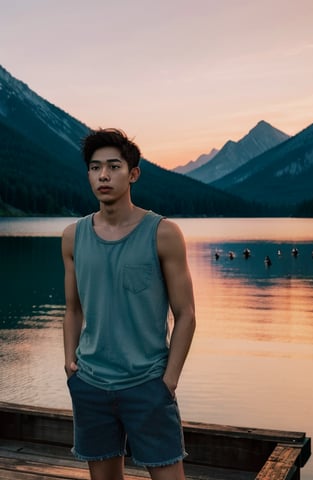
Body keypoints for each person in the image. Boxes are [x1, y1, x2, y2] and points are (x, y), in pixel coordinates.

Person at [62, 128, 196, 480]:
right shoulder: (73, 236)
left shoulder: (163, 233)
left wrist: (168, 381)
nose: (103, 175)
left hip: (148, 384)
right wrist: (69, 363)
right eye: (94, 168)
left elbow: (186, 315)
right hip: (90, 384)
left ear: (133, 173)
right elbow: (73, 309)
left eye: (113, 166)